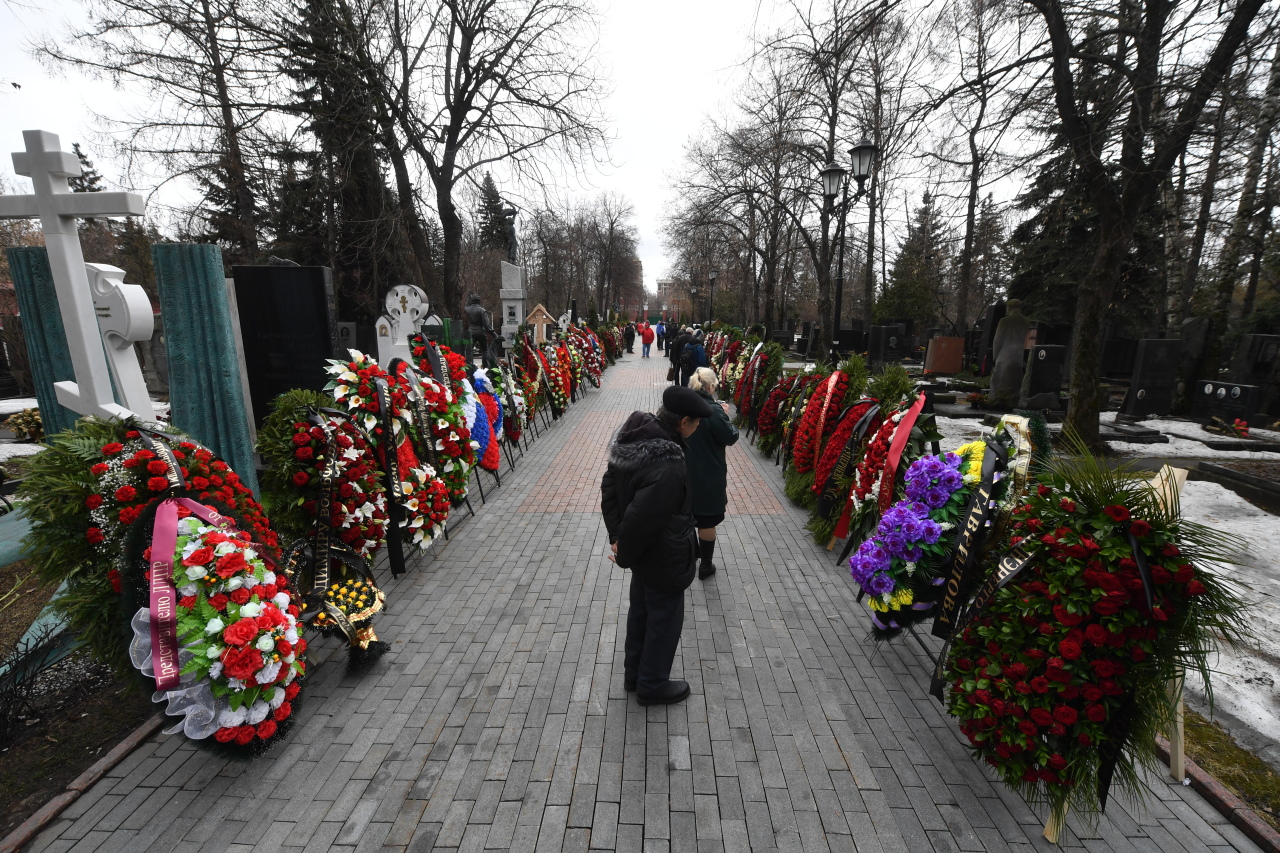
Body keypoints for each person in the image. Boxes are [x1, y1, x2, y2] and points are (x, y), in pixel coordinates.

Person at [601, 385, 714, 705]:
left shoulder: (637, 434)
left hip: (645, 554)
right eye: (696, 424)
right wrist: (623, 550)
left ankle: (635, 675)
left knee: (642, 613)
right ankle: (652, 684)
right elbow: (643, 516)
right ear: (684, 421)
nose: (697, 430)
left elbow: (610, 486)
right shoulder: (668, 461)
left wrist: (617, 536)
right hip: (663, 554)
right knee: (664, 619)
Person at [684, 368, 739, 580]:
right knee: (706, 521)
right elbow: (730, 437)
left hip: (682, 470)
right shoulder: (712, 410)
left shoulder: (682, 406)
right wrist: (724, 415)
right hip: (708, 472)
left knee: (684, 517)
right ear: (711, 386)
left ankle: (685, 561)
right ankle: (705, 566)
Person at [464, 293, 497, 368]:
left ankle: (468, 366)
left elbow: (465, 306)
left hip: (471, 332)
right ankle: (485, 366)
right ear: (479, 301)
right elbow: (487, 325)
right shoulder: (482, 311)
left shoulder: (468, 310)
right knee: (484, 350)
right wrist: (495, 335)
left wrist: (468, 298)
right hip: (480, 331)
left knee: (469, 350)